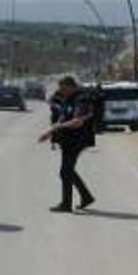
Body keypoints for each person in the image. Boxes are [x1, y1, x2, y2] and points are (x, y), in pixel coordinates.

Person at [38, 76, 96, 213]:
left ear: (71, 86)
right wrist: (50, 132)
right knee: (67, 171)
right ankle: (86, 197)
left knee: (65, 172)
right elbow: (62, 118)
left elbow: (78, 122)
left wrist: (56, 128)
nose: (60, 91)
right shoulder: (69, 98)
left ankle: (66, 204)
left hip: (78, 140)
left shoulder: (82, 99)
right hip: (68, 140)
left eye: (63, 88)